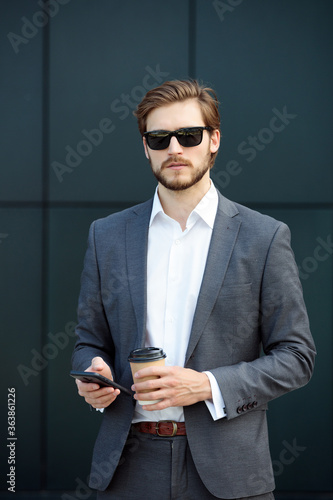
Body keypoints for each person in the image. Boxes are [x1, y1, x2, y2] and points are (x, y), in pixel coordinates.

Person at [72, 79, 316, 500]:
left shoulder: (263, 237)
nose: (174, 148)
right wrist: (94, 373)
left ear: (213, 140)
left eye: (188, 135)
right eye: (159, 137)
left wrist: (205, 385)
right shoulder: (106, 236)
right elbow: (88, 342)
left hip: (230, 471)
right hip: (128, 466)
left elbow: (296, 357)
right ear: (145, 147)